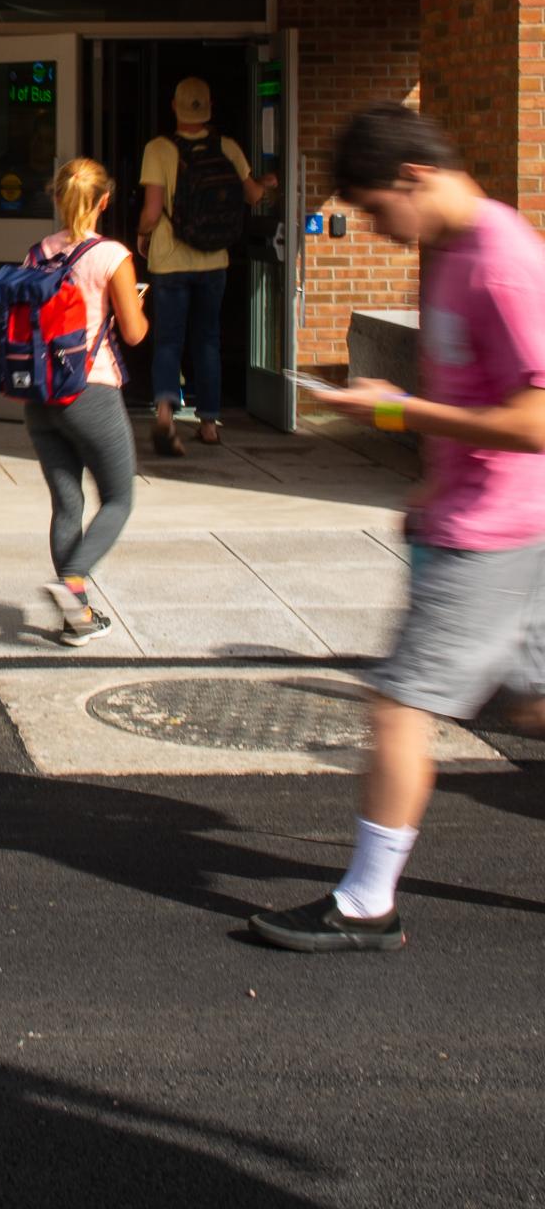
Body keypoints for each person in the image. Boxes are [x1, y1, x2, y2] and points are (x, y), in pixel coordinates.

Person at [253, 104, 545, 953]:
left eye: (379, 212)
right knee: (531, 711)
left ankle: (366, 903)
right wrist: (428, 476)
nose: (381, 233)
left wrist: (395, 410)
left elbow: (535, 416)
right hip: (482, 517)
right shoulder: (449, 252)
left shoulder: (503, 260)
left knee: (398, 708)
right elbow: (472, 395)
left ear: (413, 178)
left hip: (494, 531)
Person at [23, 159, 152, 646]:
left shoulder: (37, 254)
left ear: (57, 197)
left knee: (67, 503)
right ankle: (72, 580)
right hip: (90, 392)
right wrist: (137, 304)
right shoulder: (111, 255)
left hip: (39, 395)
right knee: (119, 497)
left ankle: (76, 619)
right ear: (103, 202)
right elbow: (135, 333)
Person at [135, 77, 275, 456]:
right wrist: (268, 181)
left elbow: (151, 211)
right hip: (214, 259)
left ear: (174, 105)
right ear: (210, 104)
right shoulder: (227, 147)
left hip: (169, 260)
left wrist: (142, 235)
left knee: (168, 340)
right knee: (207, 339)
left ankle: (165, 413)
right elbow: (253, 195)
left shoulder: (158, 149)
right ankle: (209, 424)